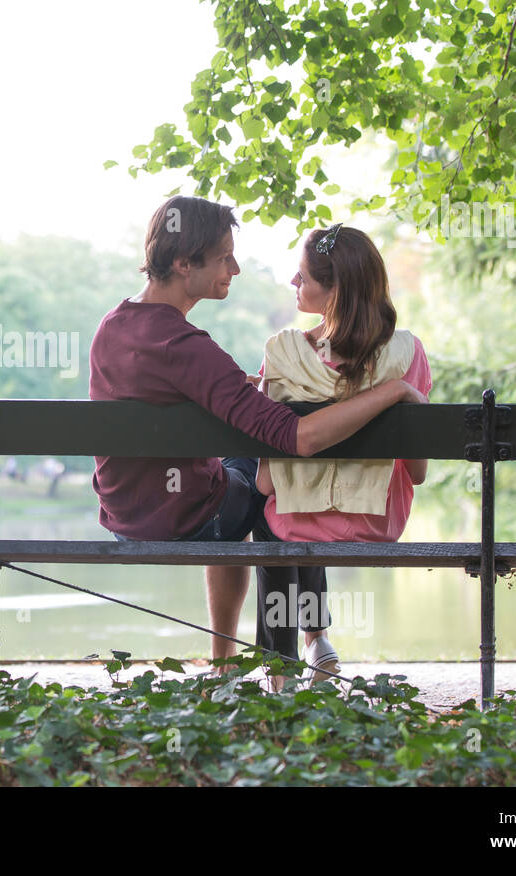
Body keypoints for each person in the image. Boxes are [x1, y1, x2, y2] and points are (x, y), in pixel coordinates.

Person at [88, 197, 428, 679]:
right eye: (225, 256)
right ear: (185, 264)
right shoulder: (190, 348)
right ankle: (297, 649)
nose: (237, 267)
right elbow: (297, 438)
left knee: (259, 478)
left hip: (124, 515)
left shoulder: (113, 326)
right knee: (280, 492)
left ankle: (244, 659)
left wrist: (228, 392)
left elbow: (156, 385)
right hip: (190, 518)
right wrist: (393, 390)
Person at [254, 223, 433, 689]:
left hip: (294, 519)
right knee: (301, 503)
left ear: (334, 292)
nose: (294, 284)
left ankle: (282, 662)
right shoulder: (409, 354)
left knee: (277, 508)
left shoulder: (282, 353)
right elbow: (417, 473)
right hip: (375, 522)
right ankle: (318, 640)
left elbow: (267, 484)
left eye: (303, 277)